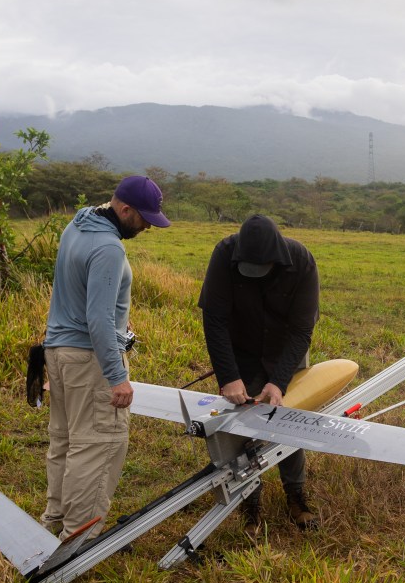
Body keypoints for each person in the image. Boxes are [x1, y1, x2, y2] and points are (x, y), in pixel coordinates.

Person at [41, 175, 170, 540]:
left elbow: (75, 289)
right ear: (124, 209)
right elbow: (96, 319)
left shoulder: (80, 222)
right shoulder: (109, 248)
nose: (147, 226)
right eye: (143, 218)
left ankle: (54, 522)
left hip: (60, 350)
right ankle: (76, 541)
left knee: (65, 440)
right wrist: (116, 376)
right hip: (90, 359)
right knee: (99, 442)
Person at [198, 213, 320, 533]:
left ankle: (295, 495)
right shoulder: (224, 255)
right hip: (242, 353)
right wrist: (228, 377)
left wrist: (278, 382)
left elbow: (301, 332)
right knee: (239, 422)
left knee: (287, 421)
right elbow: (215, 320)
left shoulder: (302, 262)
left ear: (276, 258)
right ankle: (249, 501)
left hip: (286, 353)